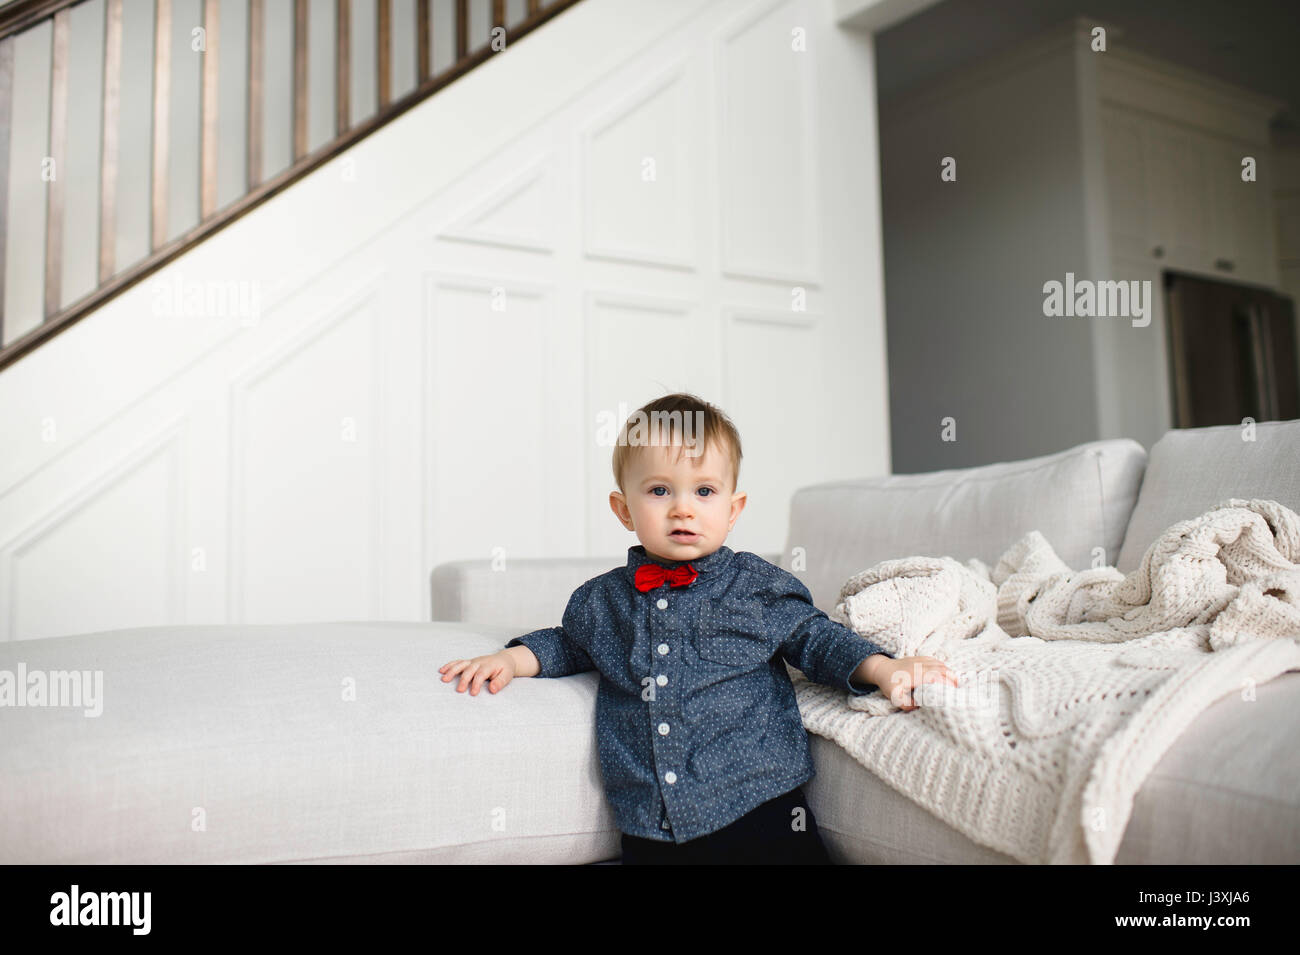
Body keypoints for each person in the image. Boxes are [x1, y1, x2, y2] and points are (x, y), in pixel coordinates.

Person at [439, 392, 957, 864]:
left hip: (760, 803)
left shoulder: (755, 586)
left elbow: (814, 638)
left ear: (733, 510)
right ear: (624, 509)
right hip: (650, 819)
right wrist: (510, 659)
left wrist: (882, 667)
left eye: (704, 491)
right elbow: (569, 645)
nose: (683, 508)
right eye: (660, 490)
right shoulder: (603, 600)